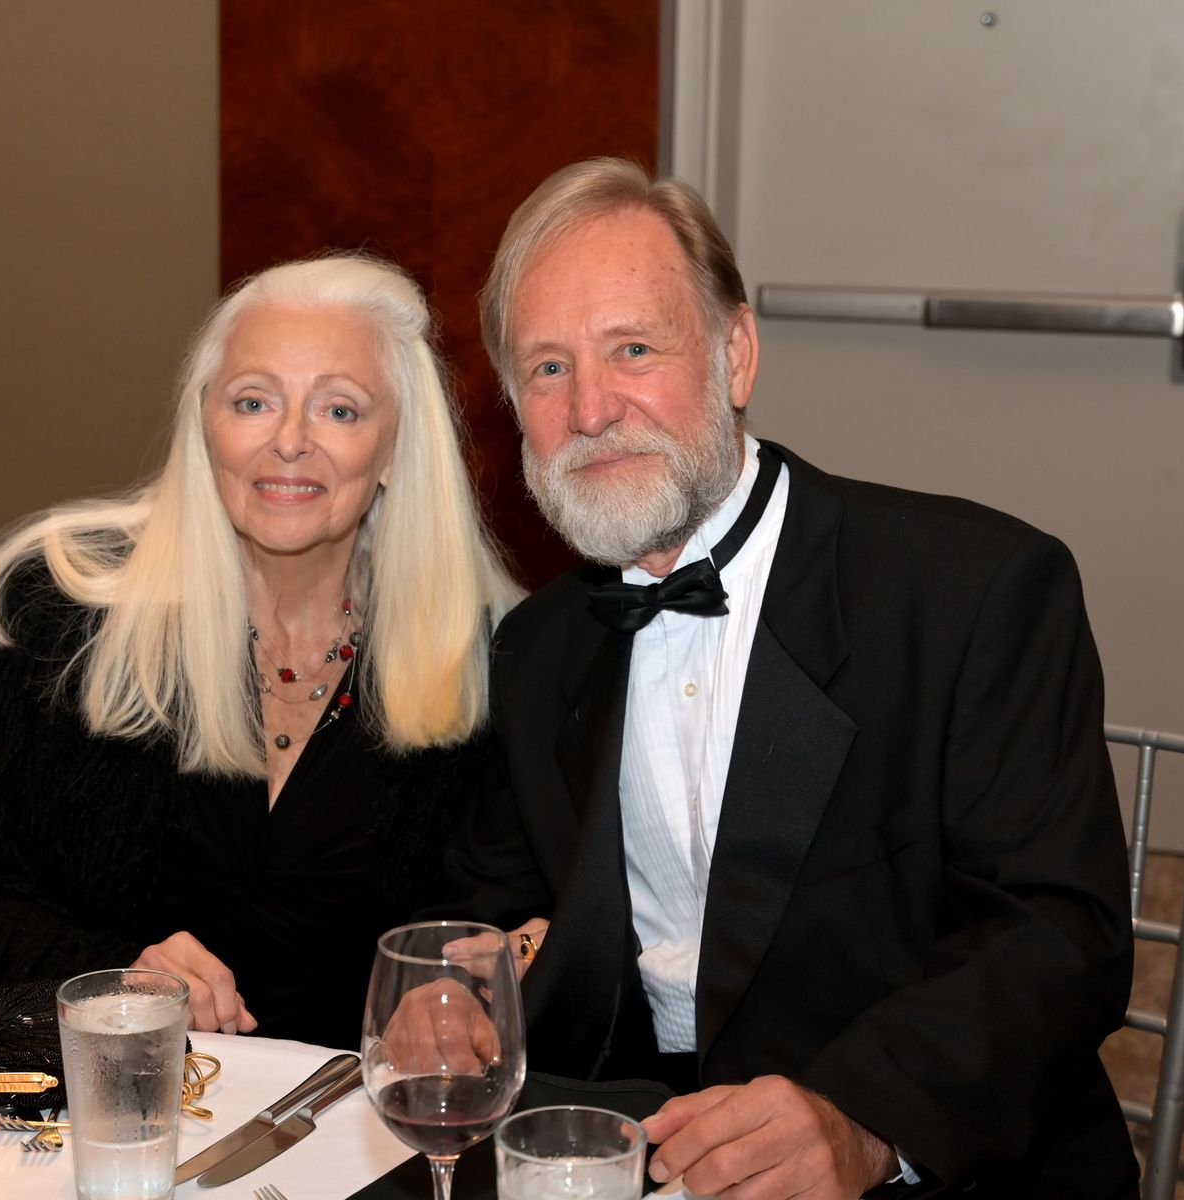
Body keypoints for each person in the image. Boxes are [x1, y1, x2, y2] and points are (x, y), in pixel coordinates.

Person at [444, 159, 1138, 1199]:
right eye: (548, 369)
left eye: (634, 349)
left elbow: (1057, 938)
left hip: (923, 1153)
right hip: (643, 1141)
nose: (590, 409)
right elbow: (498, 901)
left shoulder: (971, 591)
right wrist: (464, 983)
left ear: (735, 354)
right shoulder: (538, 648)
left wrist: (865, 1123)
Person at [0, 253, 522, 1050]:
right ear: (205, 423)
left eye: (339, 410)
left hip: (354, 1111)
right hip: (103, 1094)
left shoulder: (479, 656)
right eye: (254, 401)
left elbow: (512, 927)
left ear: (395, 450)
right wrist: (114, 981)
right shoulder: (63, 615)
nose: (290, 441)